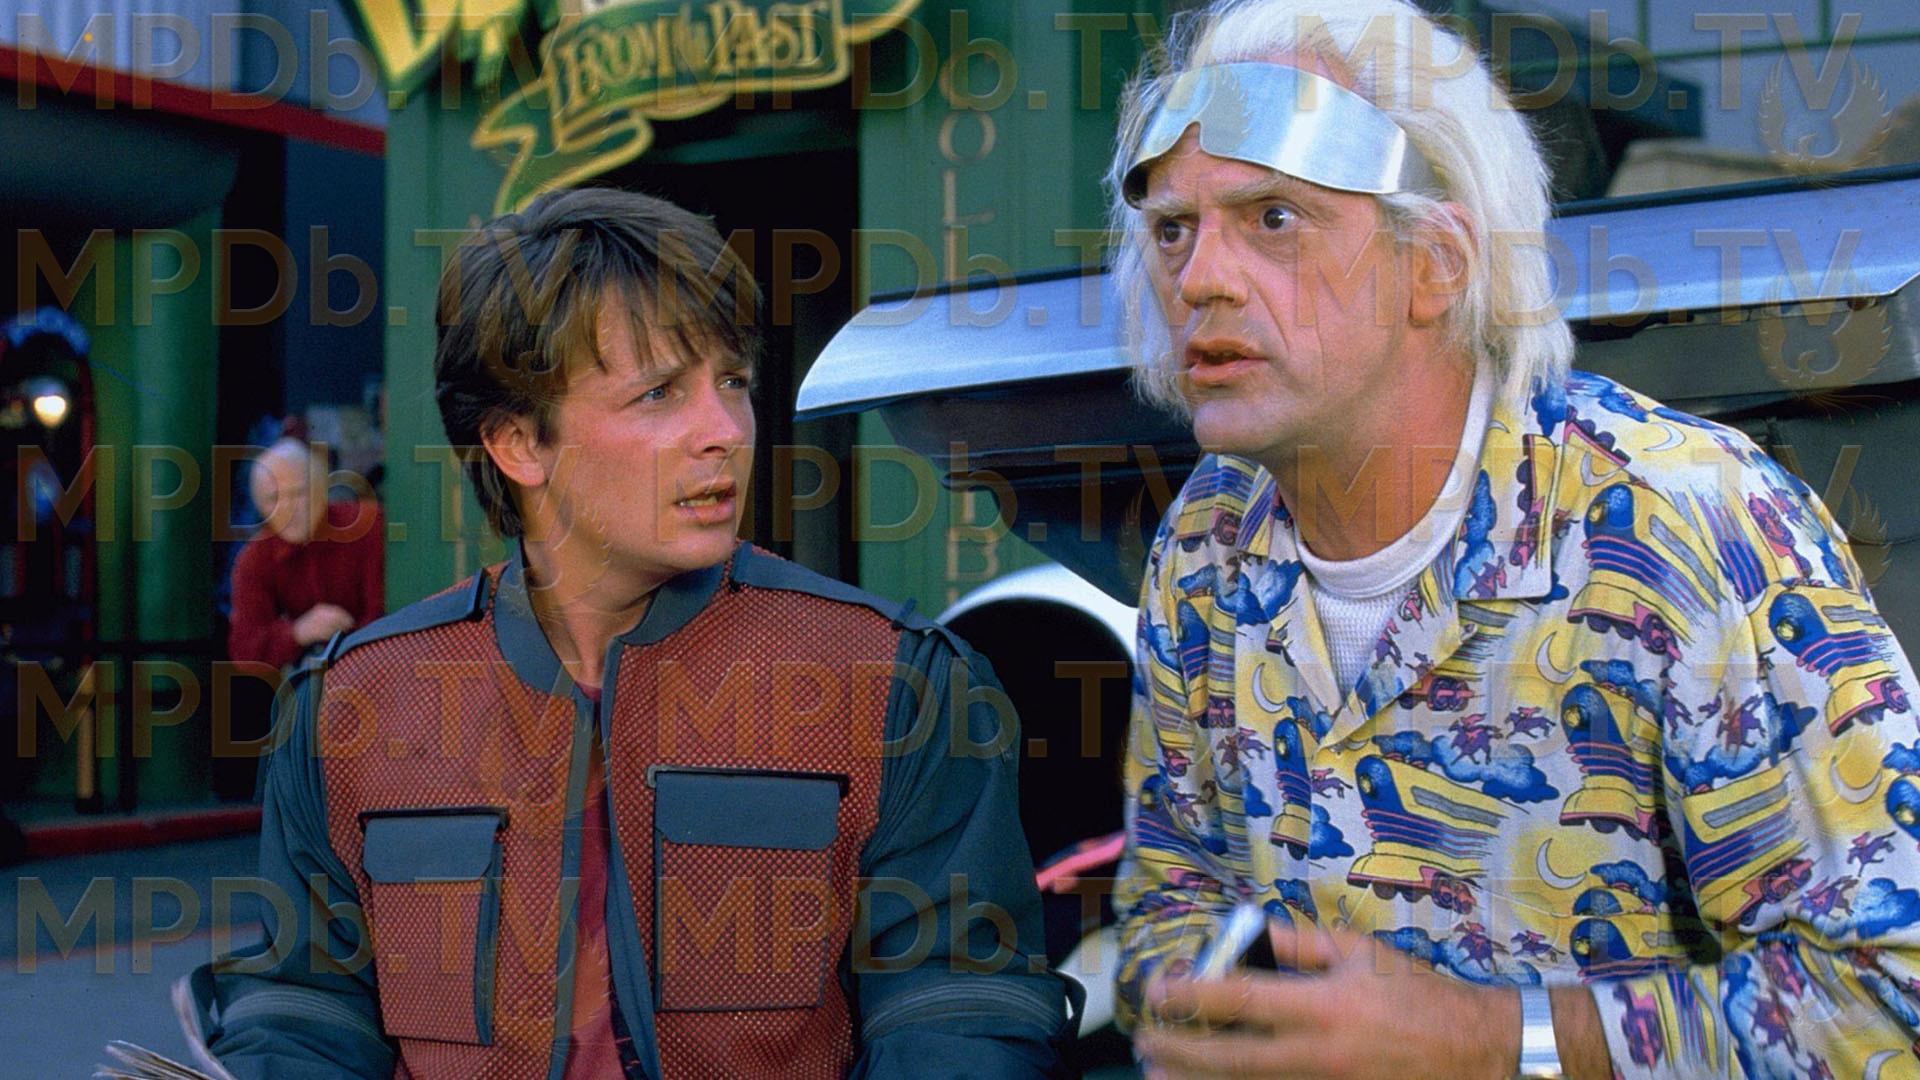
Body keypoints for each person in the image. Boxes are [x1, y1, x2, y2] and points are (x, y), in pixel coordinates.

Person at [1110, 3, 1920, 1077]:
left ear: (1437, 265)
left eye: (1274, 218)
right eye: (1173, 228)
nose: (1199, 278)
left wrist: (1495, 1043)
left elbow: (1888, 996)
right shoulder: (1207, 542)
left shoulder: (1682, 525)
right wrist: (1215, 1013)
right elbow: (1172, 899)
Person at [191, 188, 1072, 1078]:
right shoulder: (350, 713)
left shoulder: (895, 687)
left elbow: (960, 1017)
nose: (724, 432)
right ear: (518, 444)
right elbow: (304, 1018)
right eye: (658, 393)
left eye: (733, 382)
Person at [227, 434, 385, 671]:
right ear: (260, 507)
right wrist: (298, 632)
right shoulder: (256, 558)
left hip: (380, 666)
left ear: (320, 490)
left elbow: (385, 616)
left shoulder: (367, 525)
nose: (288, 509)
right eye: (273, 498)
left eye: (298, 493)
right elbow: (244, 651)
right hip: (314, 678)